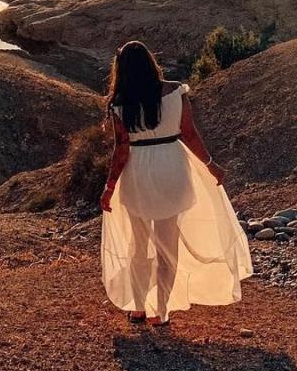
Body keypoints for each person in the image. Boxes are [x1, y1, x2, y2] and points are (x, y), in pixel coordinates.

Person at [100, 41, 252, 327]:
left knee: (139, 244)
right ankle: (160, 310)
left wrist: (109, 187)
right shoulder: (175, 92)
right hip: (172, 167)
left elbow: (121, 150)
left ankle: (137, 307)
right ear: (150, 63)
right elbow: (190, 135)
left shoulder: (120, 103)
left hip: (139, 173)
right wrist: (211, 165)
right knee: (168, 244)